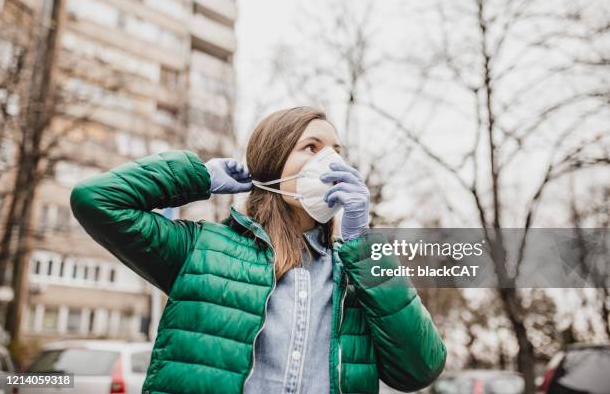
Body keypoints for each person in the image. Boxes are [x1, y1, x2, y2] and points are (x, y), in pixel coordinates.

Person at [70, 106, 446, 394]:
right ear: (273, 162)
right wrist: (198, 177)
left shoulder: (356, 275)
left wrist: (363, 246)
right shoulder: (204, 251)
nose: (331, 162)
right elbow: (97, 201)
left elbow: (421, 368)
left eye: (336, 150)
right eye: (311, 147)